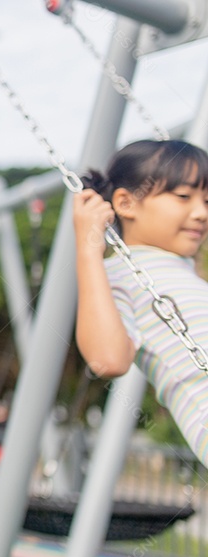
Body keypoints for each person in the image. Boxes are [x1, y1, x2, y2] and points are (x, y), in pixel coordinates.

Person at [72, 139, 208, 465]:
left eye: (207, 199)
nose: (202, 212)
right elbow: (108, 360)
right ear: (127, 203)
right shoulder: (118, 275)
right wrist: (89, 247)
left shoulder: (188, 273)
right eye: (183, 197)